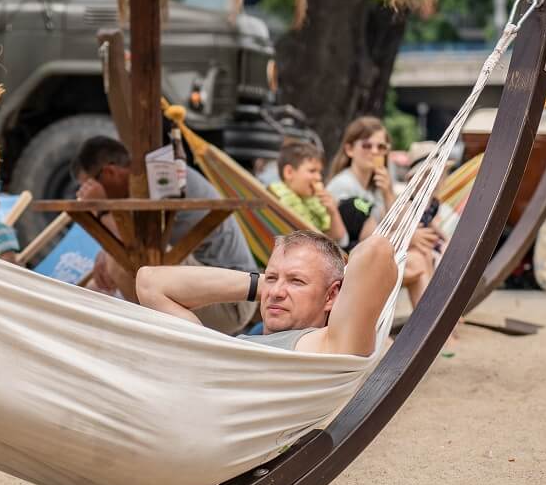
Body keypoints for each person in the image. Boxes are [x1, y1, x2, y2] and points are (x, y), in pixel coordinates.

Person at [71, 136, 257, 335]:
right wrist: (107, 249)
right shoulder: (140, 186)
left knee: (124, 262)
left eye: (90, 185)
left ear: (110, 172)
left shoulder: (160, 176)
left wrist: (101, 210)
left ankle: (150, 340)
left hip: (233, 300)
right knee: (96, 286)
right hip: (218, 290)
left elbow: (135, 248)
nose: (88, 193)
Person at [137, 230, 397, 356]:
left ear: (330, 296)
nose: (275, 292)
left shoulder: (328, 346)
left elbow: (376, 251)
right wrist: (268, 285)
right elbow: (150, 282)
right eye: (271, 278)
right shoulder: (232, 344)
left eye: (297, 281)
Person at [327, 117, 440, 308]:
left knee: (423, 254)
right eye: (367, 145)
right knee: (419, 260)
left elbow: (403, 223)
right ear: (349, 149)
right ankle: (432, 321)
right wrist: (408, 238)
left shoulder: (376, 188)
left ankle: (432, 320)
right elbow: (361, 237)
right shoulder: (343, 186)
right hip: (347, 262)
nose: (375, 152)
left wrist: (388, 192)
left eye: (381, 147)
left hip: (370, 256)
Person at [268, 142, 348, 246]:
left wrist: (333, 211)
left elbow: (338, 238)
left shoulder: (315, 202)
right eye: (312, 171)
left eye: (320, 172)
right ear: (289, 172)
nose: (319, 177)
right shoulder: (273, 198)